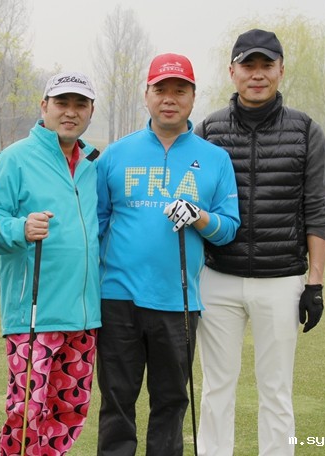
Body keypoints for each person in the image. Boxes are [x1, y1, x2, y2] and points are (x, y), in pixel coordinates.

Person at [194, 29, 325, 456]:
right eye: (248, 66)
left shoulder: (306, 131)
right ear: (232, 72)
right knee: (217, 387)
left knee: (276, 389)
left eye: (266, 66)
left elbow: (317, 209)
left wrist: (315, 283)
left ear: (281, 70)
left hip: (281, 280)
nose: (257, 75)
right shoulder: (207, 130)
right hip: (218, 277)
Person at [96, 53, 240, 456]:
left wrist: (199, 217)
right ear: (147, 95)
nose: (170, 99)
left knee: (171, 403)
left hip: (178, 302)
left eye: (180, 90)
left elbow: (228, 228)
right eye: (161, 90)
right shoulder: (115, 154)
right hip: (117, 299)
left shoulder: (215, 159)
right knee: (116, 403)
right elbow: (98, 224)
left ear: (193, 97)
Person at [0, 71, 101, 456]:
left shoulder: (92, 163)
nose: (71, 112)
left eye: (80, 104)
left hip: (83, 316)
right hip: (33, 314)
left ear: (91, 110)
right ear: (44, 106)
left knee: (69, 412)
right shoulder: (15, 158)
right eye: (62, 103)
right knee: (27, 412)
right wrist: (20, 227)